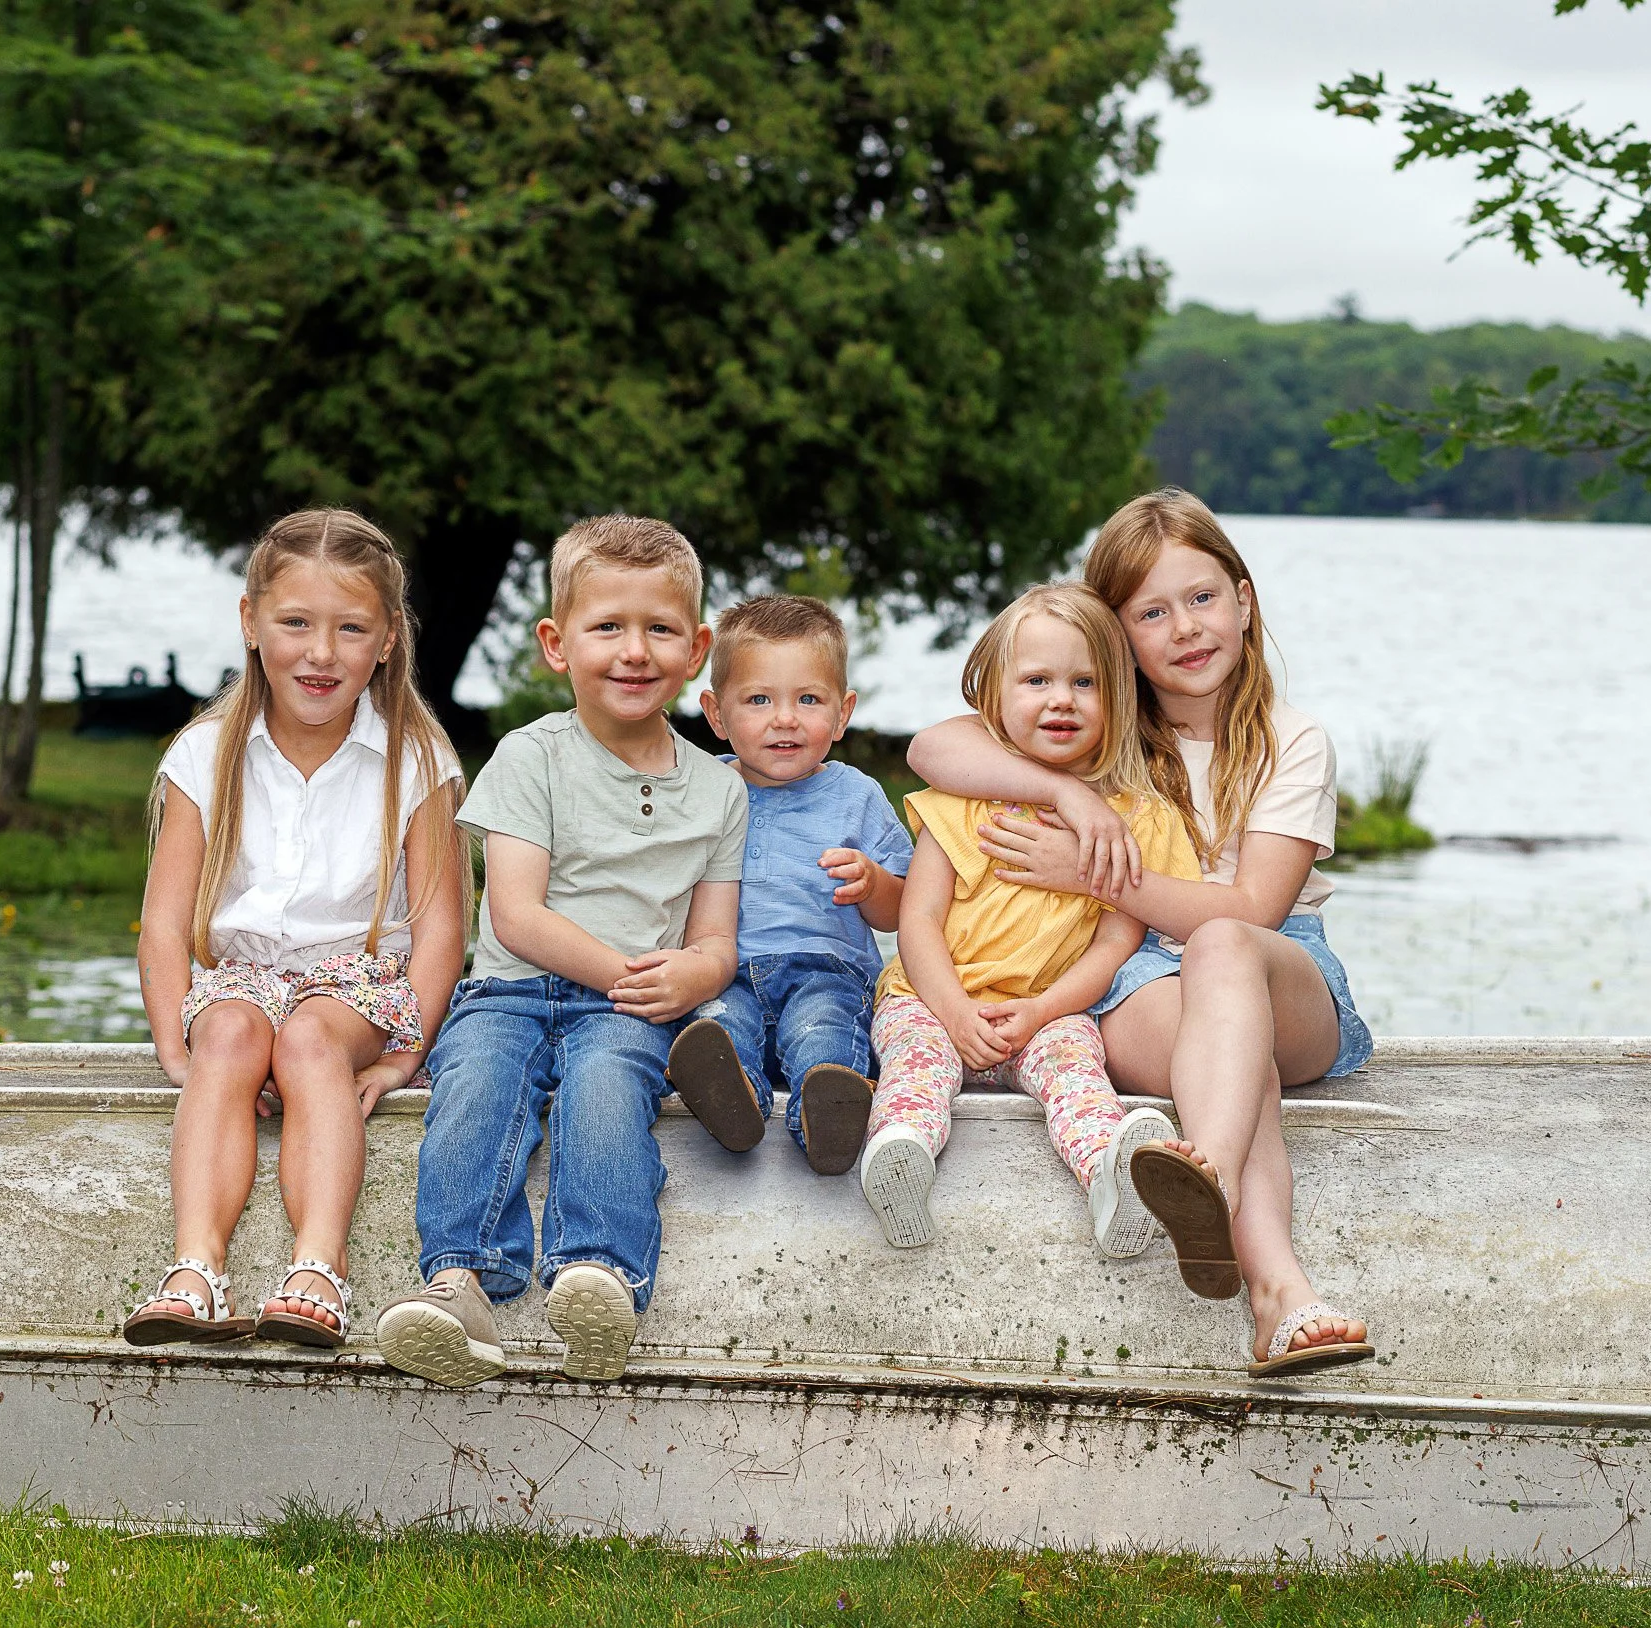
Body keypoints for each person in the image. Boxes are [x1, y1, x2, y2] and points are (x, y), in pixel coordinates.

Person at [905, 488, 1376, 1378]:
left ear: (1243, 600)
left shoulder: (1291, 741)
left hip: (1284, 974)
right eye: (1151, 613)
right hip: (1137, 981)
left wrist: (1089, 870)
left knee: (1225, 950)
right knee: (1236, 1062)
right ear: (1115, 637)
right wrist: (1067, 792)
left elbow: (1254, 910)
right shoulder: (1104, 733)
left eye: (1203, 598)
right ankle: (1279, 1293)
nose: (1187, 628)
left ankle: (1213, 1180)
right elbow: (933, 748)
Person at [373, 515, 749, 1389]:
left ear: (696, 649)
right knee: (474, 1086)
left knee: (607, 1087)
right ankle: (459, 1280)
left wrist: (695, 973)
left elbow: (715, 936)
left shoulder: (719, 790)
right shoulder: (530, 757)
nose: (633, 650)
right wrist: (627, 967)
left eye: (659, 630)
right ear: (556, 643)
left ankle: (601, 1275)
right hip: (510, 991)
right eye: (607, 627)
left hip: (627, 1008)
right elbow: (513, 914)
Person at [128, 508, 466, 1351]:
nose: (321, 653)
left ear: (387, 638)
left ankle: (320, 1262)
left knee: (311, 1039)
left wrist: (402, 1052)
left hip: (354, 985)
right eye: (296, 624)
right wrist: (179, 1039)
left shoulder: (417, 759)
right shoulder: (205, 755)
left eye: (351, 628)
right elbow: (166, 923)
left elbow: (439, 931)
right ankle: (195, 1267)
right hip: (242, 975)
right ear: (251, 622)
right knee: (235, 1033)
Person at [860, 583, 1201, 1257]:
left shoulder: (1139, 816)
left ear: (1118, 696)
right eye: (1037, 679)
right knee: (917, 1064)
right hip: (930, 999)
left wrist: (1043, 1009)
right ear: (997, 695)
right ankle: (898, 1157)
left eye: (1085, 681)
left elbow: (1114, 945)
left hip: (1049, 1013)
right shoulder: (962, 797)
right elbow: (918, 920)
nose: (1061, 699)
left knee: (1079, 1073)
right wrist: (954, 1009)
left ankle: (1113, 1178)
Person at [669, 594, 912, 1174]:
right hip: (725, 969)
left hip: (824, 968)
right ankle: (737, 1102)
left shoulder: (857, 796)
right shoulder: (699, 790)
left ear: (843, 711)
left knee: (823, 1031)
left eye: (809, 699)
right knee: (718, 1024)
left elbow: (901, 910)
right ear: (716, 713)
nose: (785, 719)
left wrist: (873, 881)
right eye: (759, 700)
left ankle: (825, 1114)